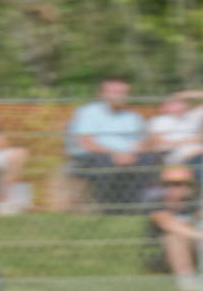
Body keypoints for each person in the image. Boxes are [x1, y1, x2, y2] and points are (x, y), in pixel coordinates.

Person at [66, 78, 157, 210]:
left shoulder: (133, 117)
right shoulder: (88, 112)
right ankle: (108, 207)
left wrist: (131, 154)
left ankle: (135, 206)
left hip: (129, 156)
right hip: (95, 155)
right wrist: (115, 154)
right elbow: (86, 142)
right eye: (114, 92)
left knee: (148, 159)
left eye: (123, 92)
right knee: (105, 162)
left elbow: (142, 142)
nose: (119, 96)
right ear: (102, 94)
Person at [147, 90, 203, 168]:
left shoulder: (193, 116)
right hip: (178, 155)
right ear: (164, 107)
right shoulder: (159, 120)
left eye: (182, 102)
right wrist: (192, 140)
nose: (182, 104)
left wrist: (186, 94)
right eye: (175, 103)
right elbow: (157, 144)